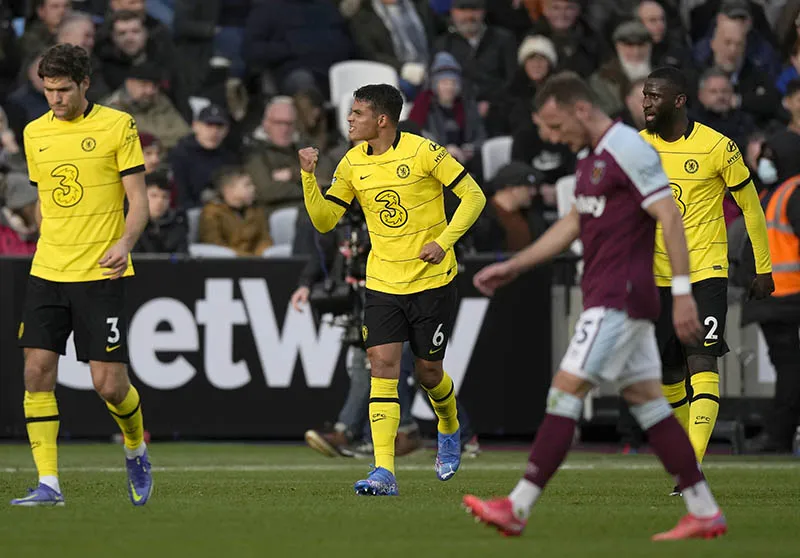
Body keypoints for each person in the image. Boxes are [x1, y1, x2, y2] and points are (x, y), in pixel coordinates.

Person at [463, 71, 727, 541]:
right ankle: (703, 509)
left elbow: (669, 215)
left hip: (618, 299)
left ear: (580, 109)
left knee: (564, 392)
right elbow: (572, 223)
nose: (550, 137)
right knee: (650, 406)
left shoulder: (629, 148)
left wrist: (684, 291)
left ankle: (518, 507)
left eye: (553, 125)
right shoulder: (591, 157)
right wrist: (516, 266)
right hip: (610, 296)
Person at [298, 84, 485, 496]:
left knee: (428, 373)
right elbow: (326, 221)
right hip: (382, 281)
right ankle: (384, 471)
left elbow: (473, 196)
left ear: (382, 120)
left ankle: (449, 424)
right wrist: (309, 179)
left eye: (358, 113)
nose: (349, 119)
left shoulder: (424, 152)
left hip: (431, 280)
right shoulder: (351, 163)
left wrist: (444, 242)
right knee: (381, 367)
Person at [11, 44, 153, 507]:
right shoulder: (34, 134)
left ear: (85, 84)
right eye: (48, 90)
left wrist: (125, 243)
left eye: (64, 90)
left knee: (108, 385)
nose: (55, 99)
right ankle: (49, 483)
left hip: (101, 272)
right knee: (36, 371)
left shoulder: (118, 126)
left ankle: (135, 445)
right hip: (47, 268)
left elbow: (140, 202)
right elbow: (49, 199)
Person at [640, 66, 774, 492]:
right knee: (668, 372)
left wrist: (763, 267)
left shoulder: (718, 147)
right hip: (656, 274)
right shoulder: (637, 147)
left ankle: (690, 465)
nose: (646, 103)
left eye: (655, 96)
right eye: (644, 95)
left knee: (703, 359)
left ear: (679, 101)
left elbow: (751, 208)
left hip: (705, 270)